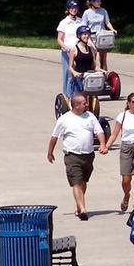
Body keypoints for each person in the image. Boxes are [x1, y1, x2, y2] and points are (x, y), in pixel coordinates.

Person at [47, 93, 108, 221]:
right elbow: (54, 137)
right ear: (76, 105)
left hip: (88, 155)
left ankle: (78, 206)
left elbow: (99, 131)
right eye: (84, 103)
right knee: (76, 182)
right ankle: (83, 209)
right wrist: (50, 152)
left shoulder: (90, 116)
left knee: (83, 182)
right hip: (72, 156)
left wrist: (103, 144)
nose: (87, 105)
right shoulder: (64, 119)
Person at [82, 0, 117, 71]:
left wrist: (112, 29)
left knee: (103, 59)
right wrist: (88, 39)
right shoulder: (87, 13)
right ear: (91, 2)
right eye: (97, 1)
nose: (99, 2)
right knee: (93, 59)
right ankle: (93, 77)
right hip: (92, 37)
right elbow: (84, 26)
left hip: (102, 37)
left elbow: (107, 22)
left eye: (100, 1)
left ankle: (104, 77)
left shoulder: (103, 11)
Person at [57, 0, 83, 98]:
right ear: (68, 9)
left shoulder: (80, 21)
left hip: (79, 51)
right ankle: (67, 97)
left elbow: (85, 36)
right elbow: (59, 39)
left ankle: (78, 95)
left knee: (79, 74)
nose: (74, 10)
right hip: (67, 52)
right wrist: (66, 47)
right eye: (72, 8)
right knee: (68, 74)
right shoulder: (64, 22)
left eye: (76, 8)